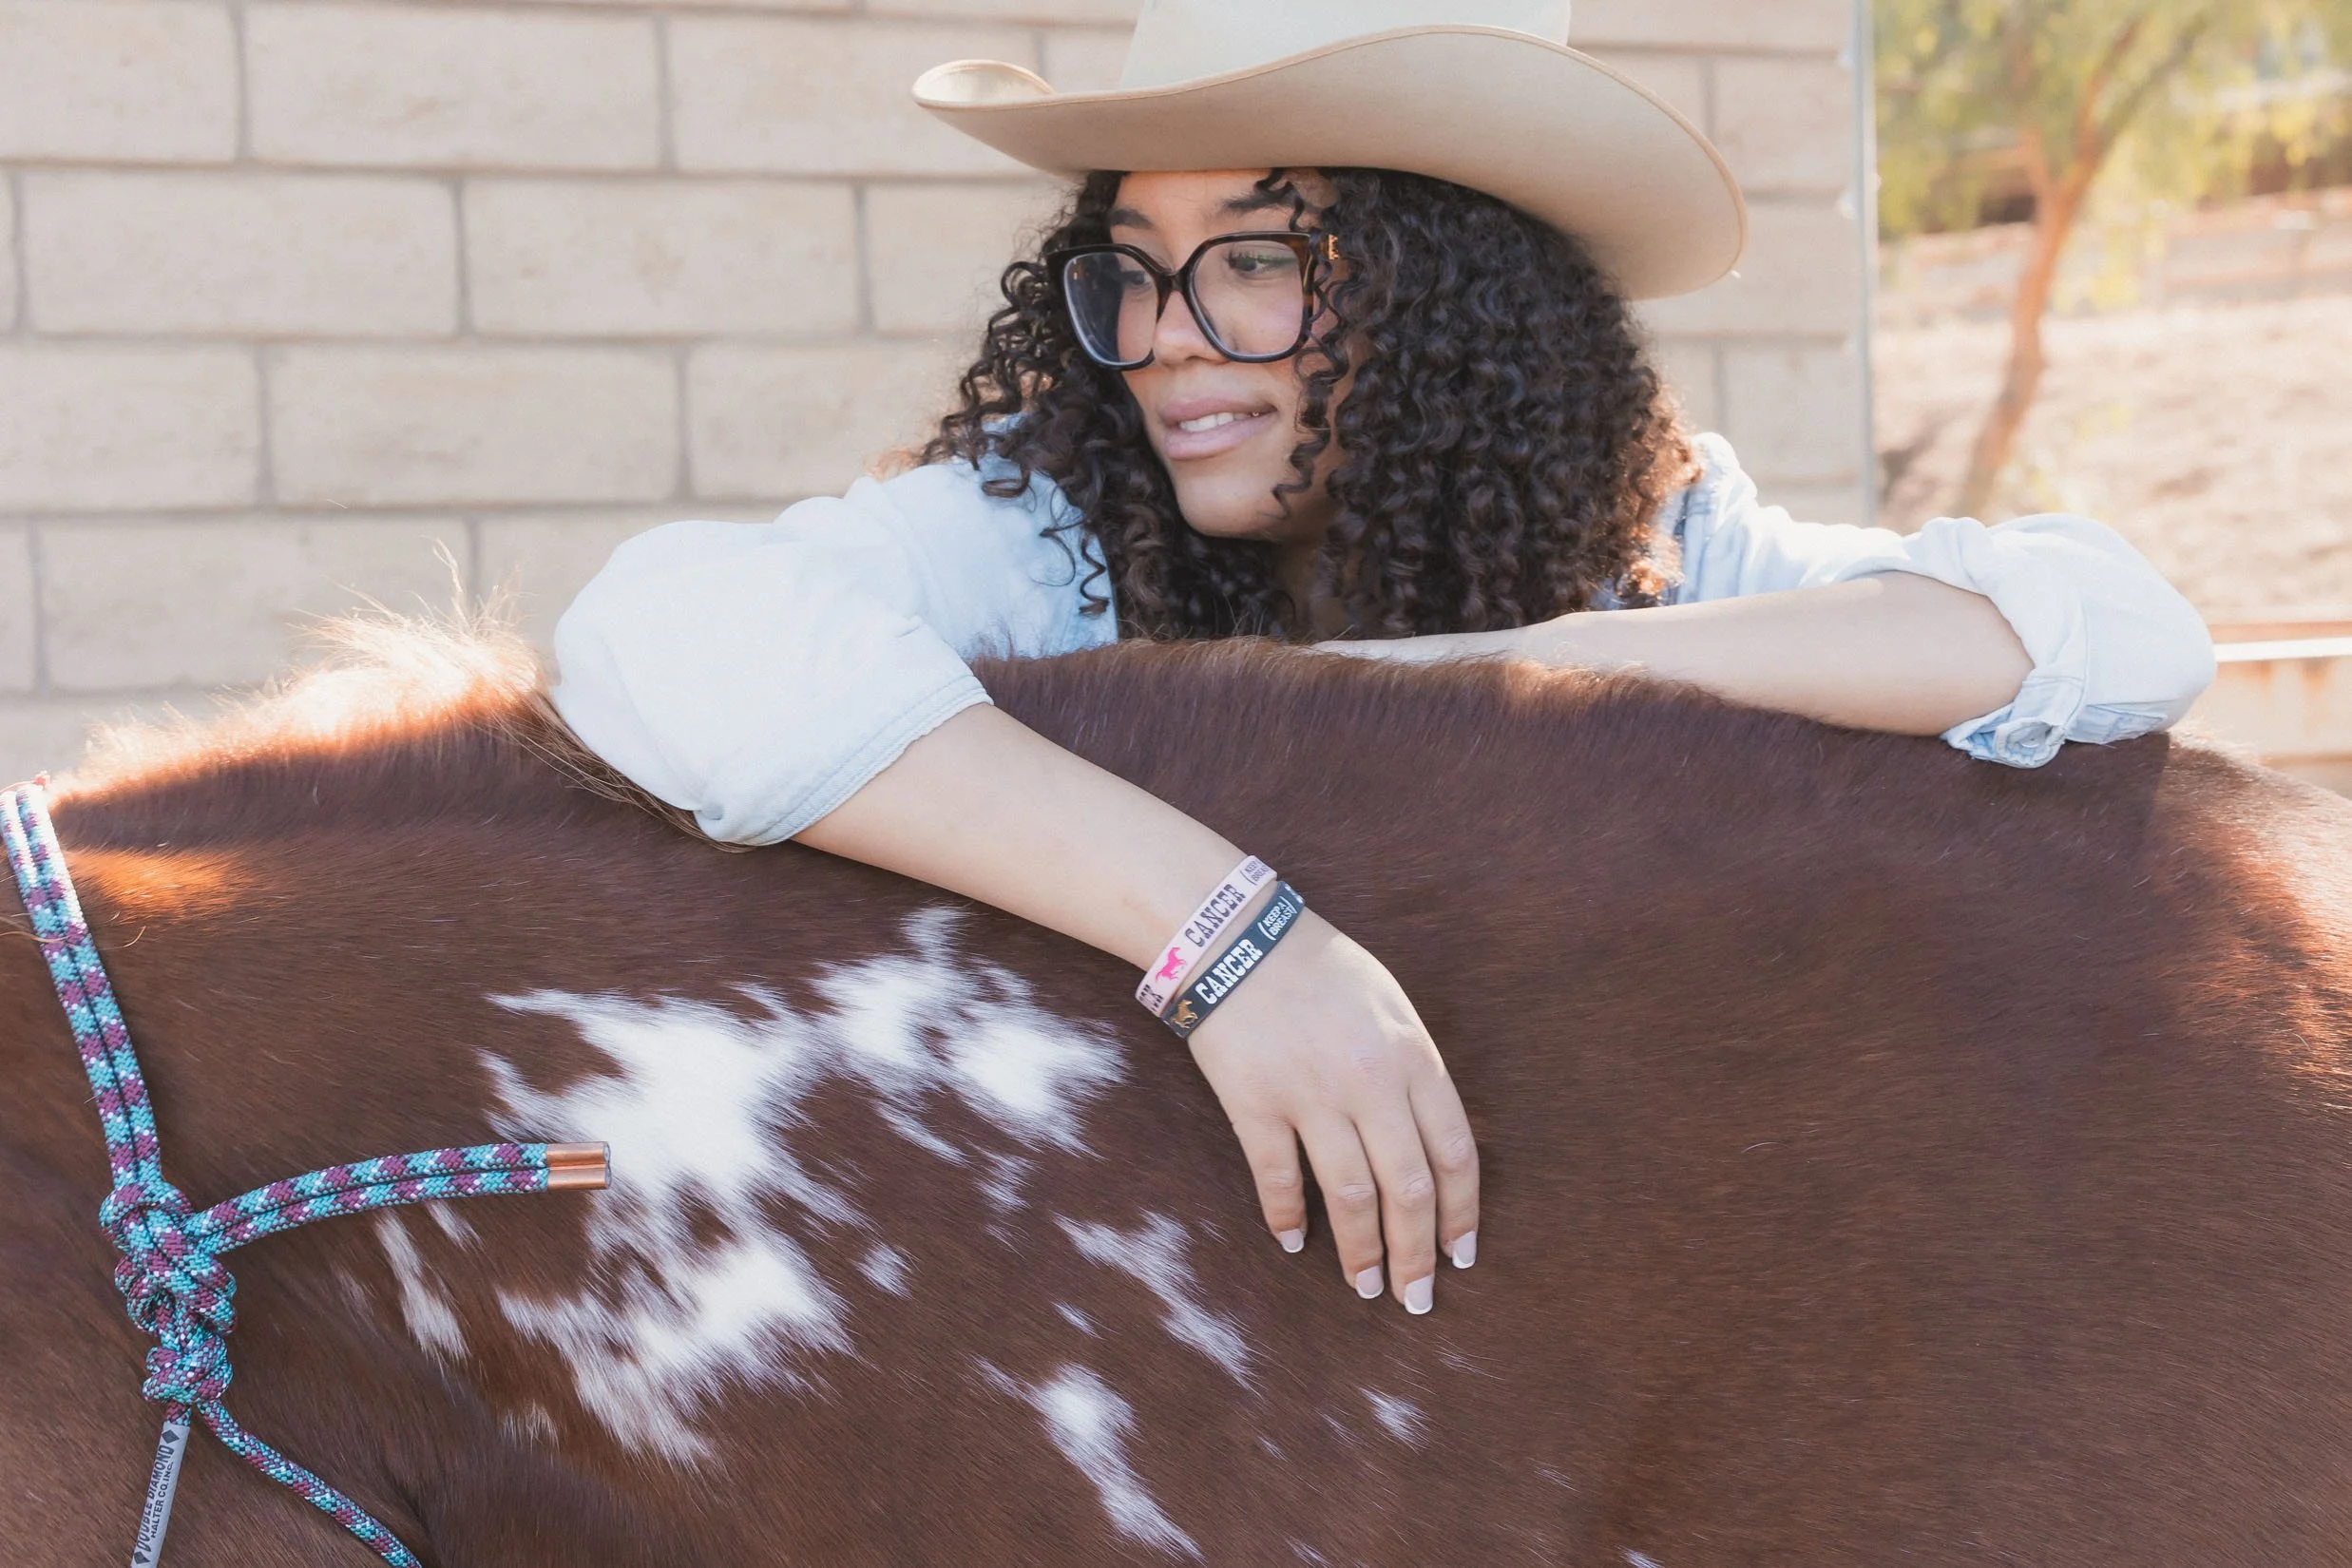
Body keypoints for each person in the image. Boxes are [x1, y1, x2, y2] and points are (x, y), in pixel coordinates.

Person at [551, 1, 2216, 1322]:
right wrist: (1231, 938)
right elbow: (656, 628)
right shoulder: (1043, 534)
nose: (1165, 338)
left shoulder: (1666, 549)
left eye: (1255, 261)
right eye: (1127, 271)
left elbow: (2115, 631)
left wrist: (1517, 667)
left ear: (1443, 293)